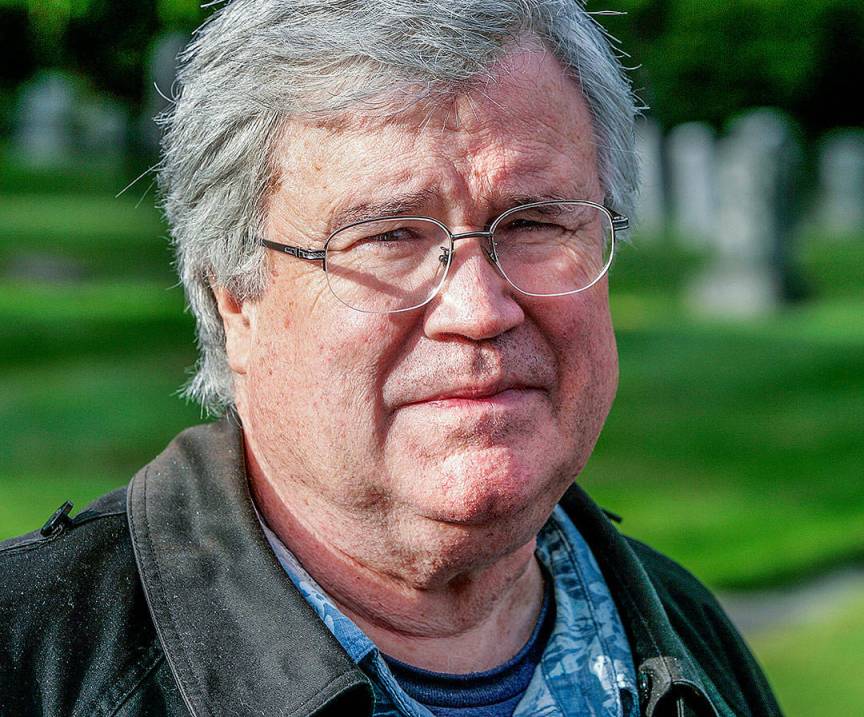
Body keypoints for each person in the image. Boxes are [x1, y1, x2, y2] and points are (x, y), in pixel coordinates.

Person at [0, 1, 782, 715]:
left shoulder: (690, 638)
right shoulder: (33, 667)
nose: (480, 311)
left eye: (535, 222)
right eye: (390, 236)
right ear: (235, 296)